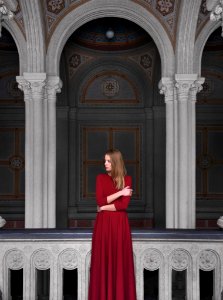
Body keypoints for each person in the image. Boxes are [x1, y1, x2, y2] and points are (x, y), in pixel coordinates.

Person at [88, 149, 137, 300]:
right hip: (103, 226)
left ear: (116, 162)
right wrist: (120, 193)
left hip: (119, 226)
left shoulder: (127, 179)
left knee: (120, 262)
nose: (105, 164)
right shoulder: (100, 178)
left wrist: (103, 208)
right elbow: (100, 201)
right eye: (105, 161)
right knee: (102, 261)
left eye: (108, 161)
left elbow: (123, 206)